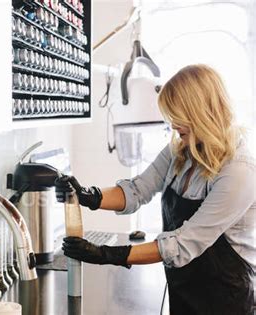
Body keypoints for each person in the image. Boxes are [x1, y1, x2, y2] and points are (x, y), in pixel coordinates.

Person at [56, 64, 255, 315]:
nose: (173, 125)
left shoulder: (238, 172)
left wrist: (107, 254)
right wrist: (88, 195)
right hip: (183, 288)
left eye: (178, 116)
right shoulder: (180, 150)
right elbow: (138, 190)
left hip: (226, 299)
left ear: (202, 113)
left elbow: (182, 243)